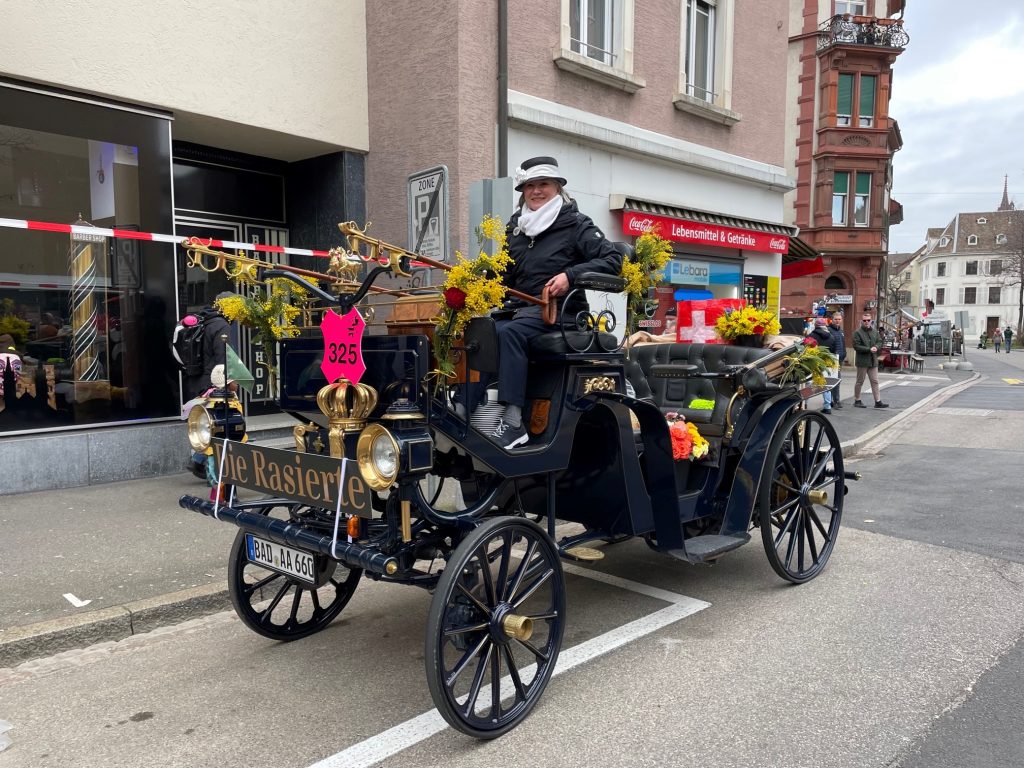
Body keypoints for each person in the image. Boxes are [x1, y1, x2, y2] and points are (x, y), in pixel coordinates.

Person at [488, 156, 623, 450]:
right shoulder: (517, 228)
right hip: (521, 309)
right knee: (481, 330)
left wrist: (570, 276)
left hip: (562, 313)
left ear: (557, 187)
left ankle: (513, 423)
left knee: (509, 334)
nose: (536, 191)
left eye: (543, 184)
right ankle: (473, 408)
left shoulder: (575, 223)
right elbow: (504, 274)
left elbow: (613, 260)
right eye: (530, 186)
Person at [183, 293, 234, 399]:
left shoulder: (205, 319)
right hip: (211, 386)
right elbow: (223, 358)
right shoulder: (222, 326)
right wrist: (230, 383)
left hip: (194, 382)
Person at [852, 313, 889, 409]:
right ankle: (857, 400)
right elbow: (856, 346)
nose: (867, 322)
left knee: (875, 381)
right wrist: (869, 349)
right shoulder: (857, 333)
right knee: (860, 381)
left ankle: (878, 401)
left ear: (871, 321)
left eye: (868, 320)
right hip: (862, 361)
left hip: (873, 360)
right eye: (864, 320)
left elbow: (880, 341)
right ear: (862, 321)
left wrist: (876, 347)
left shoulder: (874, 332)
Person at [809, 318, 835, 414]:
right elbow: (833, 350)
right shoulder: (831, 337)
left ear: (816, 325)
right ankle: (827, 406)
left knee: (809, 383)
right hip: (826, 363)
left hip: (813, 362)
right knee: (826, 384)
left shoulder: (811, 336)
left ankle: (804, 404)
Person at [828, 312, 846, 408]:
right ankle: (834, 401)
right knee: (834, 380)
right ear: (832, 319)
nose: (837, 321)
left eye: (839, 319)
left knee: (837, 380)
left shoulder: (841, 331)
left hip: (840, 359)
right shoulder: (829, 330)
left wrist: (844, 354)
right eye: (836, 319)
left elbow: (843, 344)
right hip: (832, 359)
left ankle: (835, 400)